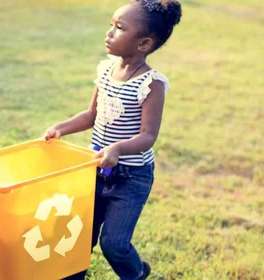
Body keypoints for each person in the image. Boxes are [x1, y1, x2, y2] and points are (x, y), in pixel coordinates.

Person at [45, 1, 182, 279]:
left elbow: (148, 136)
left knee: (114, 244)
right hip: (94, 170)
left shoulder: (151, 84)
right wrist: (62, 127)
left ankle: (136, 274)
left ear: (143, 43)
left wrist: (117, 148)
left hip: (130, 177)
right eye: (111, 24)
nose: (109, 32)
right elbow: (91, 114)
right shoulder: (106, 71)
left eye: (119, 28)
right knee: (79, 236)